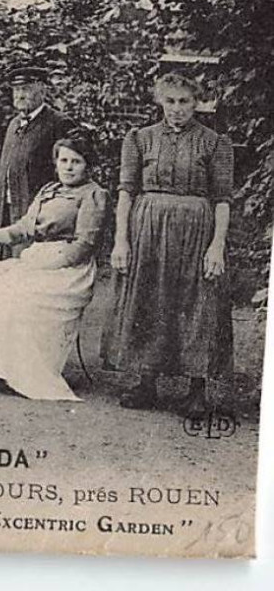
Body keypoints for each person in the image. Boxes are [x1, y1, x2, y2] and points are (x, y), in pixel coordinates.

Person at [102, 71, 233, 418]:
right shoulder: (139, 139)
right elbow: (126, 192)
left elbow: (222, 199)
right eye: (170, 101)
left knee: (197, 304)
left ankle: (197, 390)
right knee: (150, 298)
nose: (177, 109)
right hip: (148, 230)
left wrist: (217, 245)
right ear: (160, 101)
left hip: (197, 232)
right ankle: (146, 383)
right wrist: (121, 241)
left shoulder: (215, 143)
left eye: (185, 102)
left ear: (197, 103)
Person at [0, 135, 109, 401]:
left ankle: (21, 373)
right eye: (63, 160)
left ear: (87, 165)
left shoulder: (94, 195)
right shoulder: (48, 190)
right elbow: (21, 230)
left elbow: (85, 245)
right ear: (55, 163)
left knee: (18, 299)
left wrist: (47, 264)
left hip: (68, 271)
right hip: (36, 261)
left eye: (76, 162)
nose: (68, 167)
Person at [0, 64, 75, 236]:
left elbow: (68, 173)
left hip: (38, 214)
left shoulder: (58, 123)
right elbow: (2, 170)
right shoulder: (14, 124)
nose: (20, 95)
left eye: (26, 89)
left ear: (42, 92)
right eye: (16, 90)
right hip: (7, 211)